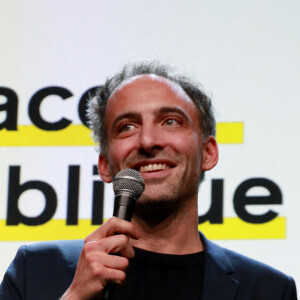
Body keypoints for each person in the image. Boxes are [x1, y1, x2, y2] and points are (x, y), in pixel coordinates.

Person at [0, 61, 297, 300]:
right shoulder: (35, 271)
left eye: (170, 121)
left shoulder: (268, 289)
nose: (148, 140)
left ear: (208, 152)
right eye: (127, 127)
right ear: (105, 165)